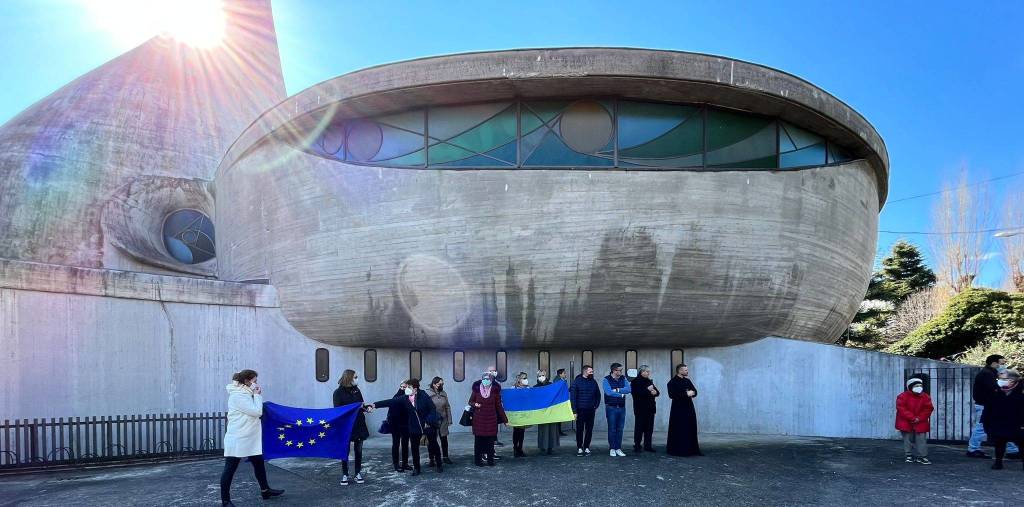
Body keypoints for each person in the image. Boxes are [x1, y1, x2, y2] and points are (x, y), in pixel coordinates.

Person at [221, 369, 283, 507]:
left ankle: (265, 490)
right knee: (230, 468)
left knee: (259, 463)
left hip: (249, 437)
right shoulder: (238, 396)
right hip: (239, 437)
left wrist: (255, 395)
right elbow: (256, 411)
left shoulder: (245, 393)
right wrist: (257, 395)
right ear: (247, 381)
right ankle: (225, 501)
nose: (256, 384)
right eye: (255, 381)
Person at [371, 378, 439, 476]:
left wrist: (428, 421)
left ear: (415, 389)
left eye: (408, 387)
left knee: (433, 444)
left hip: (426, 425)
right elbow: (390, 402)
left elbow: (432, 409)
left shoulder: (423, 395)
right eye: (404, 387)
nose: (406, 389)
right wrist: (375, 405)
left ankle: (439, 464)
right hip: (412, 426)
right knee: (414, 448)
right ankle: (416, 468)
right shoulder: (404, 397)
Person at [968, 355, 1019, 458]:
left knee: (1003, 426)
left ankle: (1013, 450)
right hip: (986, 405)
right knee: (982, 427)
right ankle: (973, 449)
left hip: (989, 405)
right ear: (994, 363)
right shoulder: (987, 374)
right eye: (1001, 363)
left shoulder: (990, 373)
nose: (1003, 365)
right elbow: (994, 388)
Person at [333, 369, 371, 485]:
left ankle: (357, 473)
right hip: (346, 425)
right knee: (345, 450)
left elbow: (361, 404)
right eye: (355, 377)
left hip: (359, 424)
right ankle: (345, 474)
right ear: (349, 378)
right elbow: (338, 410)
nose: (357, 379)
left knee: (358, 450)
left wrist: (366, 408)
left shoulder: (356, 390)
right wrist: (354, 408)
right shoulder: (338, 393)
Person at [981, 369, 1024, 470]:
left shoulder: (1021, 393)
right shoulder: (995, 391)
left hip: (1017, 424)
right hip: (999, 423)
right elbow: (989, 407)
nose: (1000, 381)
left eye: (1004, 379)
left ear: (1012, 380)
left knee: (1022, 445)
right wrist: (987, 422)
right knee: (999, 443)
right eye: (999, 379)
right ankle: (998, 462)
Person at [469, 371, 509, 466]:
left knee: (490, 442)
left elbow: (499, 406)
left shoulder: (495, 391)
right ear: (481, 380)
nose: (486, 381)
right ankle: (478, 461)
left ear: (491, 380)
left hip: (491, 419)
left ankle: (490, 461)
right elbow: (470, 401)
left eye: (488, 379)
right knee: (478, 442)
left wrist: (505, 420)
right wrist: (475, 404)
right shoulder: (476, 390)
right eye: (484, 379)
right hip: (479, 419)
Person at [666, 364, 702, 457]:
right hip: (678, 409)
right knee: (680, 428)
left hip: (689, 407)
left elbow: (695, 391)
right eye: (685, 370)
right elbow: (672, 395)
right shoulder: (672, 382)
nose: (687, 371)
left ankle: (692, 450)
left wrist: (692, 393)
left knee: (691, 427)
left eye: (687, 370)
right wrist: (686, 394)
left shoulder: (687, 380)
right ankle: (680, 450)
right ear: (679, 371)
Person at [896, 377, 934, 465]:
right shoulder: (902, 396)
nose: (919, 387)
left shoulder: (925, 397)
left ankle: (922, 456)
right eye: (916, 386)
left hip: (920, 421)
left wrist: (919, 418)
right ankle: (908, 455)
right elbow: (901, 409)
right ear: (911, 387)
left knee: (921, 439)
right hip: (906, 421)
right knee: (908, 439)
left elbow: (928, 408)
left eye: (920, 385)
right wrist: (913, 418)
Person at [569, 365, 601, 457]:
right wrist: (574, 411)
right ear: (585, 372)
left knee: (589, 430)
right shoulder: (577, 382)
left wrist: (596, 405)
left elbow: (598, 395)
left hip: (591, 410)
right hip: (580, 410)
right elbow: (573, 398)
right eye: (590, 371)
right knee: (579, 429)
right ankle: (579, 447)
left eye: (592, 371)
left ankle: (586, 447)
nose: (592, 373)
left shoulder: (593, 382)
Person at [473, 365, 505, 455]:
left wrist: (503, 418)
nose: (493, 372)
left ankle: (491, 453)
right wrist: (476, 404)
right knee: (482, 437)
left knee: (491, 436)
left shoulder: (496, 385)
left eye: (495, 371)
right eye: (491, 371)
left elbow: (498, 402)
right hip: (481, 416)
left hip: (493, 414)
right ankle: (483, 454)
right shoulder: (478, 385)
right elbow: (472, 400)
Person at [603, 363, 632, 456]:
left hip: (622, 408)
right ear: (614, 370)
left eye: (621, 370)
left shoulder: (623, 378)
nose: (621, 372)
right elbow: (608, 392)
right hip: (611, 407)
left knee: (620, 429)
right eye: (619, 370)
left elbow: (628, 389)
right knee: (612, 429)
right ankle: (612, 448)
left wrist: (617, 390)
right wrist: (621, 394)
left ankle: (618, 448)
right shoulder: (606, 379)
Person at [382, 381, 411, 472]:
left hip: (405, 424)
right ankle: (396, 464)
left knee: (405, 444)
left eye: (404, 387)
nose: (402, 389)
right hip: (396, 425)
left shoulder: (408, 397)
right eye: (401, 387)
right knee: (396, 444)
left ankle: (405, 463)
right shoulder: (396, 397)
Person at [630, 365, 660, 453]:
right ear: (641, 372)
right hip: (640, 409)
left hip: (650, 408)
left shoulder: (648, 381)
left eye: (648, 372)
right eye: (646, 371)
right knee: (639, 428)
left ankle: (648, 445)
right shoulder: (635, 382)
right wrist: (648, 390)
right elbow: (637, 394)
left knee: (649, 428)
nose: (648, 373)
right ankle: (637, 445)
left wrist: (655, 392)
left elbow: (657, 392)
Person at [427, 376, 454, 467]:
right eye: (439, 384)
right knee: (432, 441)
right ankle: (432, 459)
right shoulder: (427, 393)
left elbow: (447, 407)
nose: (441, 385)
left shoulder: (444, 393)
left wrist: (449, 419)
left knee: (444, 439)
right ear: (434, 384)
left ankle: (445, 457)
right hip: (432, 420)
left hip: (443, 419)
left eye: (442, 384)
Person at [535, 369, 560, 455]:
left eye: (543, 375)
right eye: (540, 375)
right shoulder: (535, 387)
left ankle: (550, 447)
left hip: (551, 411)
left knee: (552, 429)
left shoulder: (551, 385)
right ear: (537, 377)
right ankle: (542, 446)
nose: (542, 377)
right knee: (543, 429)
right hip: (541, 412)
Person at [511, 372, 530, 457]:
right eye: (524, 378)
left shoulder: (528, 388)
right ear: (519, 379)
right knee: (516, 431)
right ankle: (515, 448)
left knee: (522, 431)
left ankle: (520, 448)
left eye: (526, 378)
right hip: (516, 413)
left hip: (524, 413)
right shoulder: (513, 388)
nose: (525, 380)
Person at [556, 369, 569, 436]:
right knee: (558, 418)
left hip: (561, 400)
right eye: (564, 373)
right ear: (560, 374)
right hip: (558, 401)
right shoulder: (558, 381)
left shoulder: (562, 380)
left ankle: (559, 431)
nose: (565, 374)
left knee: (559, 418)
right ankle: (557, 432)